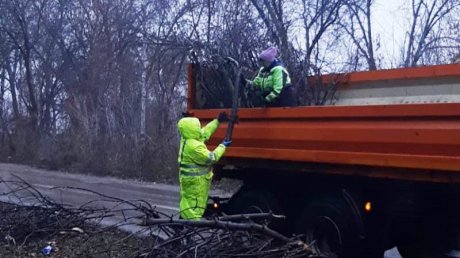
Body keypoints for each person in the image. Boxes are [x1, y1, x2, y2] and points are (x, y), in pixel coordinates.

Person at [177, 112, 232, 220]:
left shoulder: (187, 139)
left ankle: (180, 227)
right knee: (195, 206)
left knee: (188, 203)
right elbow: (212, 158)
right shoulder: (195, 147)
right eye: (197, 127)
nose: (200, 128)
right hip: (196, 182)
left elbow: (205, 132)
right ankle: (190, 228)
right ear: (193, 129)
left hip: (189, 180)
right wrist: (223, 146)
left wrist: (217, 121)